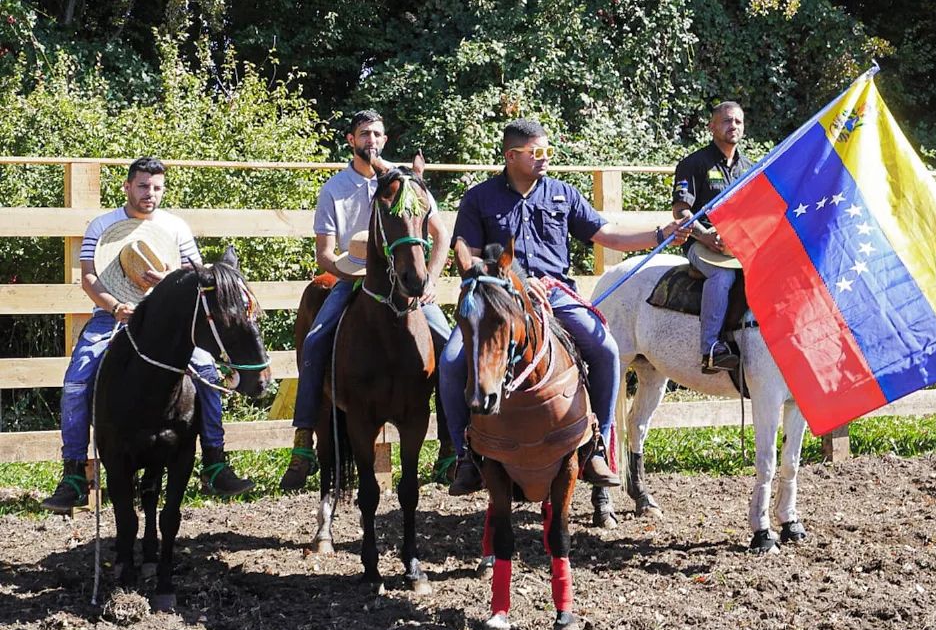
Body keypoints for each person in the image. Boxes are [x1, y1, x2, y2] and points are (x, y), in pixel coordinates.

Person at [443, 119, 690, 495]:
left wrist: (661, 234)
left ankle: (598, 448)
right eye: (535, 153)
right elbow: (471, 259)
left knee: (605, 350)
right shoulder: (479, 198)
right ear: (511, 156)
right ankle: (464, 457)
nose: (544, 159)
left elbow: (607, 234)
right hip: (501, 300)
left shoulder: (563, 193)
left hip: (556, 295)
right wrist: (517, 283)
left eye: (547, 152)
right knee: (450, 363)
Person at [41, 157, 254, 513]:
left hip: (169, 323)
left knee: (204, 370)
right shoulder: (103, 225)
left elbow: (196, 276)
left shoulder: (175, 227)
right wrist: (114, 307)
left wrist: (171, 278)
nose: (149, 194)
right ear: (126, 186)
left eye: (156, 188)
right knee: (78, 379)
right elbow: (90, 276)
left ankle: (215, 461)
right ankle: (75, 472)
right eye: (142, 186)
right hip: (113, 318)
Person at [280, 110, 455, 491]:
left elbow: (440, 235)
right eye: (363, 134)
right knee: (314, 340)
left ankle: (452, 446)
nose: (371, 140)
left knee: (449, 345)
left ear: (385, 140)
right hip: (354, 277)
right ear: (350, 140)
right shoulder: (335, 189)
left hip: (408, 283)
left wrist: (433, 280)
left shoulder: (405, 182)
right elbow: (324, 254)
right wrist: (350, 275)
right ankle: (304, 439)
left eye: (377, 133)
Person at [672, 101, 752, 374]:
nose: (734, 126)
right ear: (712, 127)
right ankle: (710, 350)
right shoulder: (693, 164)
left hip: (739, 246)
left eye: (738, 121)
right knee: (723, 277)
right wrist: (704, 236)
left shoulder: (750, 168)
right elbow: (681, 210)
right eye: (728, 121)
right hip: (701, 244)